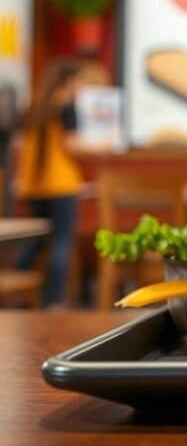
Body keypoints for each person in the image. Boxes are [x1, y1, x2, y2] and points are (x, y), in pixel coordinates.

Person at [15, 59, 89, 307]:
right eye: (81, 81)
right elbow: (72, 145)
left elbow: (19, 146)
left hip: (34, 186)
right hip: (61, 186)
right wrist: (104, 145)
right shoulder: (66, 107)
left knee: (36, 242)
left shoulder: (36, 107)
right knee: (61, 244)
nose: (83, 87)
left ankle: (14, 290)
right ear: (69, 81)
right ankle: (55, 301)